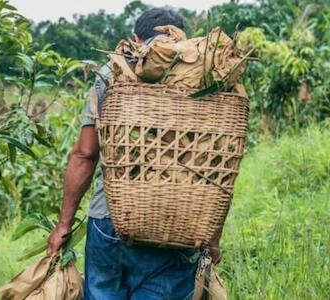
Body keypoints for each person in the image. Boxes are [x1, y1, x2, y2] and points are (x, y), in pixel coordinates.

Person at [47, 7, 222, 300]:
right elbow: (217, 169)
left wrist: (64, 225)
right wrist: (213, 237)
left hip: (111, 218)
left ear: (136, 39)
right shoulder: (202, 80)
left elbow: (85, 154)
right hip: (179, 222)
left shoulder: (113, 73)